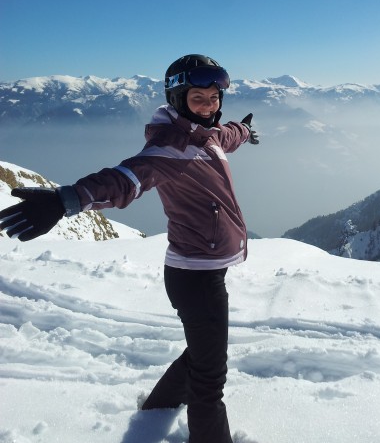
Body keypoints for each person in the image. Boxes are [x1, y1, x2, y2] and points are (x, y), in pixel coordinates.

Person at [0, 54, 259, 443]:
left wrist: (244, 130)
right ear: (177, 100)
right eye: (198, 99)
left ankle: (156, 410)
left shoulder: (208, 134)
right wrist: (65, 200)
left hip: (204, 268)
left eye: (215, 97)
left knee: (201, 352)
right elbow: (125, 180)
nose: (209, 106)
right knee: (210, 377)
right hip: (196, 275)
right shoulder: (172, 148)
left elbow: (226, 136)